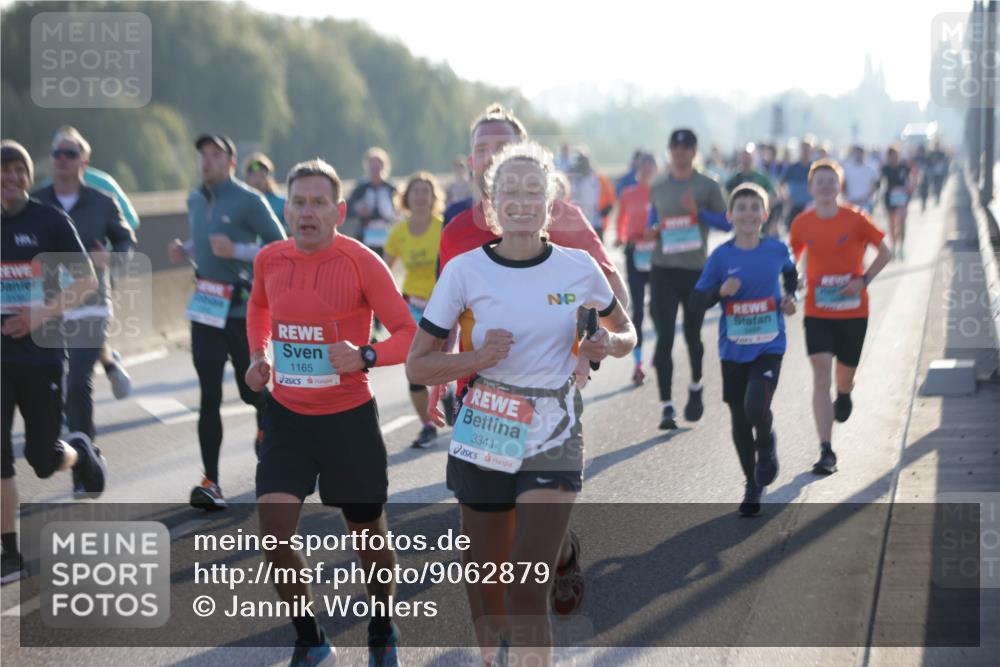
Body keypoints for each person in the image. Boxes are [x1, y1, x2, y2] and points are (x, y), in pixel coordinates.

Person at [407, 141, 636, 667]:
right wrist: (476, 358)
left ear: (551, 205)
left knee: (526, 589)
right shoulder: (464, 272)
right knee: (488, 588)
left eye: (534, 190)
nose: (522, 200)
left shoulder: (579, 268)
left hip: (554, 432)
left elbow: (626, 334)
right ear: (490, 206)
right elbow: (418, 366)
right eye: (509, 190)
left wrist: (607, 344)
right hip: (486, 424)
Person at [246, 158, 415, 667]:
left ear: (339, 210)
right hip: (287, 418)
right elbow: (259, 309)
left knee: (367, 531)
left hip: (347, 419)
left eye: (319, 203)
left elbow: (409, 334)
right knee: (273, 532)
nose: (308, 212)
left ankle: (383, 623)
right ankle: (310, 637)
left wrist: (365, 354)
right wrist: (261, 355)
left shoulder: (362, 261)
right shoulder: (270, 259)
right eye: (299, 202)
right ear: (286, 207)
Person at [1, 140, 106, 584]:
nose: (12, 178)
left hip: (42, 355)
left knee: (42, 459)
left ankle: (77, 452)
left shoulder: (49, 220)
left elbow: (86, 280)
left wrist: (40, 315)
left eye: (19, 170)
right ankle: (9, 552)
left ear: (30, 174)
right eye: (4, 170)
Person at [167, 134, 286, 510]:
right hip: (205, 309)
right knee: (208, 397)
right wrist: (185, 249)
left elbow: (279, 246)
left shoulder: (250, 200)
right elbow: (204, 238)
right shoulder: (194, 197)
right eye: (203, 154)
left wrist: (237, 250)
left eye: (215, 155)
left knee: (250, 390)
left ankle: (268, 425)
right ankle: (211, 481)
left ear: (231, 163)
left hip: (241, 310)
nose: (207, 161)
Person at [32, 127, 136, 485]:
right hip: (49, 308)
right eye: (57, 154)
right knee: (57, 388)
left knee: (78, 382)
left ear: (84, 161)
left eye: (70, 154)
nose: (62, 160)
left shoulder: (102, 201)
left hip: (91, 305)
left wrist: (112, 257)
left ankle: (82, 470)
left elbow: (126, 243)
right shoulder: (37, 200)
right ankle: (87, 453)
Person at [691, 184, 798, 516]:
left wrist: (790, 299)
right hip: (733, 349)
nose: (748, 213)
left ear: (765, 216)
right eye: (742, 208)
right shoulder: (721, 257)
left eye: (755, 208)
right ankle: (752, 484)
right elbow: (697, 302)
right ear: (730, 216)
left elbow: (792, 276)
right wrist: (721, 292)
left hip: (769, 344)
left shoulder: (777, 250)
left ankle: (766, 443)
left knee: (755, 408)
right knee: (739, 417)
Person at [789, 159, 891, 475]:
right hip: (817, 312)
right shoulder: (802, 223)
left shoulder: (856, 220)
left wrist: (862, 280)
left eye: (831, 181)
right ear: (811, 188)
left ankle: (844, 394)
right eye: (819, 182)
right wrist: (796, 282)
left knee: (842, 377)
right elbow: (790, 261)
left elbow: (886, 252)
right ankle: (826, 450)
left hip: (853, 311)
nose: (825, 187)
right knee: (821, 375)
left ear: (839, 187)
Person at [644, 128, 729, 430]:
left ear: (694, 151)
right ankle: (666, 405)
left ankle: (696, 385)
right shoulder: (658, 186)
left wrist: (700, 213)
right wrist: (651, 230)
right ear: (670, 151)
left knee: (693, 336)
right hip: (663, 268)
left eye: (686, 148)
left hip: (695, 271)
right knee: (665, 337)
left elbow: (727, 221)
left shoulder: (707, 185)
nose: (679, 152)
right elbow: (650, 221)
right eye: (675, 148)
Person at [383, 172, 447, 448]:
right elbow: (382, 271)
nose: (421, 197)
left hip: (445, 305)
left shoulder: (443, 228)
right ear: (406, 198)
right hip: (414, 306)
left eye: (426, 192)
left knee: (444, 361)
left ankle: (450, 392)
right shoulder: (399, 232)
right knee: (415, 366)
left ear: (434, 198)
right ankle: (427, 425)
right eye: (416, 192)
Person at [615, 152, 658, 385]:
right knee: (638, 311)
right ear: (637, 171)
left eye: (651, 170)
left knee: (658, 309)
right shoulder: (628, 194)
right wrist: (621, 238)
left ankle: (659, 355)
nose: (646, 174)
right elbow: (621, 221)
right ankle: (639, 364)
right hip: (635, 253)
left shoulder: (661, 193)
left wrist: (657, 233)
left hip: (658, 254)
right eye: (643, 170)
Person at [346, 147, 397, 257]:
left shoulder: (390, 188)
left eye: (378, 167)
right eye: (372, 167)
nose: (375, 170)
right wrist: (358, 210)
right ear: (367, 167)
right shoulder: (361, 188)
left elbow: (400, 210)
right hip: (365, 234)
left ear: (384, 167)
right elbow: (347, 208)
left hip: (387, 233)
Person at [879, 145, 915, 260]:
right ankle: (894, 246)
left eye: (896, 155)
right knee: (892, 224)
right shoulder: (885, 168)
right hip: (890, 198)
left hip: (902, 197)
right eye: (891, 156)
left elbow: (912, 178)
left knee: (902, 222)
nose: (894, 158)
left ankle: (902, 247)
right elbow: (880, 182)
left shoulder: (904, 167)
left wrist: (910, 187)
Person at [242, 152, 287, 230]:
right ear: (247, 178)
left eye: (261, 175)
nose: (258, 180)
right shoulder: (239, 203)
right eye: (254, 175)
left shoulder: (282, 203)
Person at [780, 139, 814, 230]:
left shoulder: (815, 167)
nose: (805, 152)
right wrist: (787, 199)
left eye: (807, 150)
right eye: (803, 149)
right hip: (794, 208)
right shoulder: (792, 168)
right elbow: (780, 185)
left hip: (811, 208)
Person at [840, 145, 879, 213]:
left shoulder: (870, 169)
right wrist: (847, 197)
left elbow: (874, 186)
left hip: (866, 203)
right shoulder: (846, 168)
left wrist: (866, 198)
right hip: (851, 202)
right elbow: (843, 185)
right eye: (856, 152)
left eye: (860, 152)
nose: (858, 155)